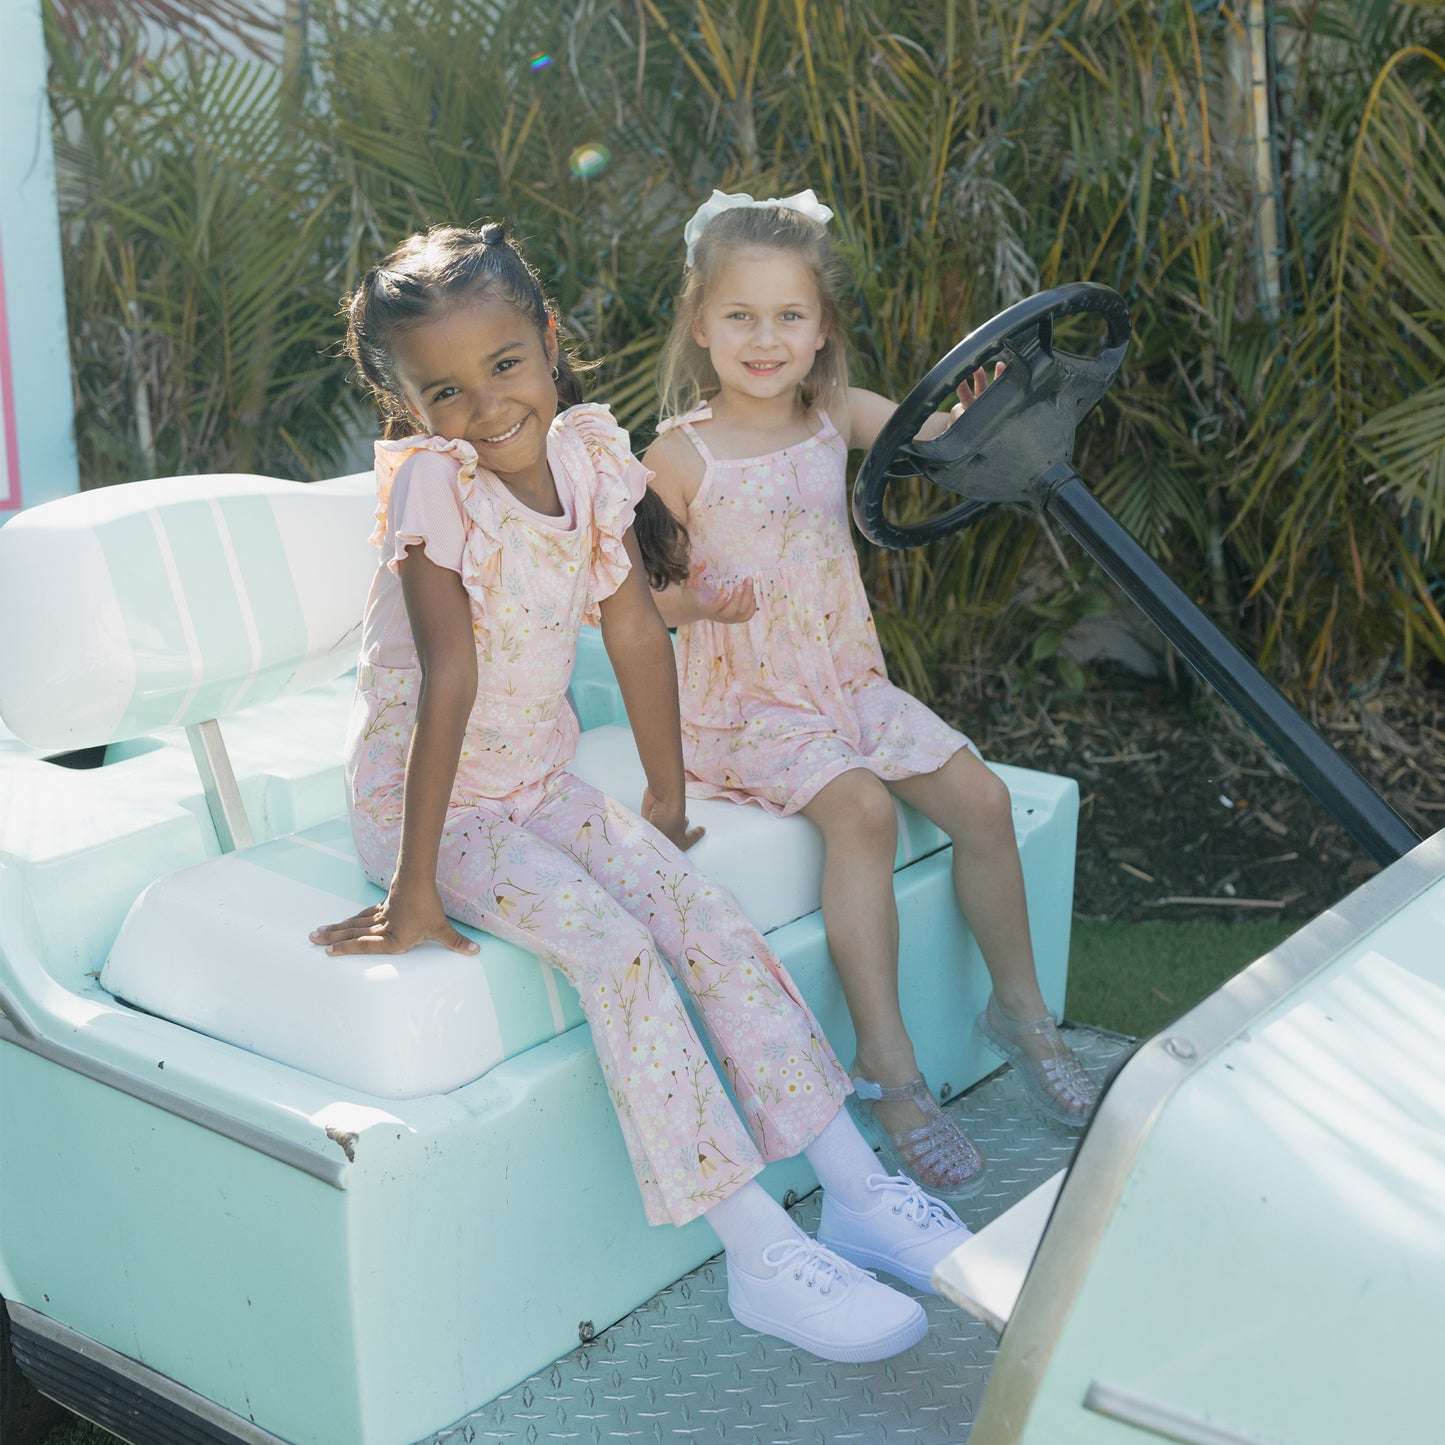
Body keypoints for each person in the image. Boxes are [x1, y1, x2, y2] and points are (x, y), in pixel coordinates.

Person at [308, 222, 970, 1364]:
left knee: (700, 912)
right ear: (403, 401)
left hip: (535, 779)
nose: (484, 405)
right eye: (445, 390)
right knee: (617, 952)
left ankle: (855, 1185)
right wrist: (413, 885)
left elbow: (626, 624)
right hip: (433, 808)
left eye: (505, 363)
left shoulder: (589, 456)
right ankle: (757, 1253)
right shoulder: (432, 489)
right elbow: (448, 679)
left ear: (549, 340)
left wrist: (662, 798)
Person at [644, 190, 1100, 1201]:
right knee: (859, 811)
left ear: (821, 330)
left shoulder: (833, 417)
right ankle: (887, 1068)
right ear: (698, 323)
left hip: (844, 681)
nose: (765, 339)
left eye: (788, 316)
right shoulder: (677, 456)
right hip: (745, 704)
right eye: (739, 316)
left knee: (981, 798)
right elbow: (641, 600)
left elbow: (941, 438)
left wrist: (977, 407)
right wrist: (700, 600)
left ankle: (1019, 1013)